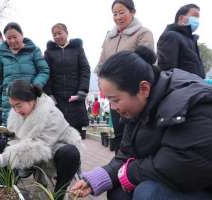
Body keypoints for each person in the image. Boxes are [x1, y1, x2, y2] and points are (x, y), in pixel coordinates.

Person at [71, 46, 212, 200]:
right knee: (118, 192)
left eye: (115, 100)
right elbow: (127, 153)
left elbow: (181, 164)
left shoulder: (192, 104)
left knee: (148, 193)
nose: (112, 107)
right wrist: (100, 177)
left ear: (143, 88)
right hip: (176, 178)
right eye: (109, 100)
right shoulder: (138, 107)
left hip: (198, 183)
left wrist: (129, 173)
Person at [0, 80, 82, 200]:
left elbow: (38, 146)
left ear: (32, 100)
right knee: (2, 144)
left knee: (70, 153)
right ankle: (5, 189)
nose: (16, 110)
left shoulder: (52, 114)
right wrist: (11, 134)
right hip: (33, 147)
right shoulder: (19, 113)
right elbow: (21, 138)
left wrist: (2, 159)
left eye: (19, 105)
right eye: (13, 106)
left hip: (56, 149)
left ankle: (59, 194)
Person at [95, 0, 154, 152]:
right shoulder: (110, 37)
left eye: (122, 12)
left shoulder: (143, 33)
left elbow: (145, 63)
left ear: (132, 12)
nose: (118, 17)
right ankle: (120, 168)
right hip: (114, 95)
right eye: (115, 13)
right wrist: (101, 82)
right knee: (119, 133)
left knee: (135, 133)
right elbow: (101, 63)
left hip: (131, 93)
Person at [0, 22, 49, 125]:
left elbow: (44, 70)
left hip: (29, 97)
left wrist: (36, 85)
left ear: (22, 35)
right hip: (9, 100)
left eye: (15, 37)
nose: (12, 40)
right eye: (9, 38)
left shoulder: (34, 50)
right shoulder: (2, 54)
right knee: (11, 132)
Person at [44, 23, 90, 139]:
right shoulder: (49, 52)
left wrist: (82, 91)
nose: (57, 37)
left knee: (76, 133)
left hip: (74, 97)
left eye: (60, 33)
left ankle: (76, 156)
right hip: (57, 99)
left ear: (66, 33)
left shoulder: (77, 49)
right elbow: (46, 73)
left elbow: (85, 69)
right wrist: (49, 94)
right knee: (58, 132)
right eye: (54, 35)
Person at [157, 4, 205, 78]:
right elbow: (168, 71)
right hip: (183, 88)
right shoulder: (171, 36)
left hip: (195, 86)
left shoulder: (191, 41)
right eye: (195, 16)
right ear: (181, 18)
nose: (197, 20)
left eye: (198, 18)